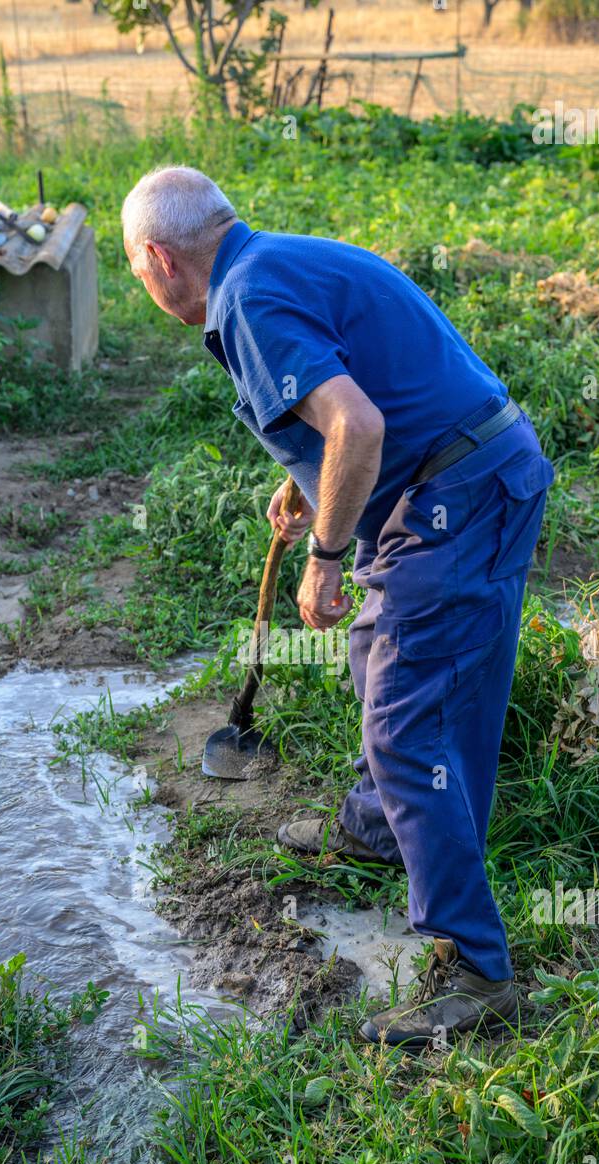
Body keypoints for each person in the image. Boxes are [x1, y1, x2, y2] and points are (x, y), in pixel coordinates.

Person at [122, 165, 553, 1049]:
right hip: (480, 471)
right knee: (390, 663)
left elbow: (358, 427)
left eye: (133, 267)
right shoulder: (268, 264)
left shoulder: (245, 299)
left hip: (455, 498)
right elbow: (344, 412)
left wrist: (324, 558)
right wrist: (312, 491)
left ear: (161, 259)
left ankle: (476, 969)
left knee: (409, 720)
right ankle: (379, 827)